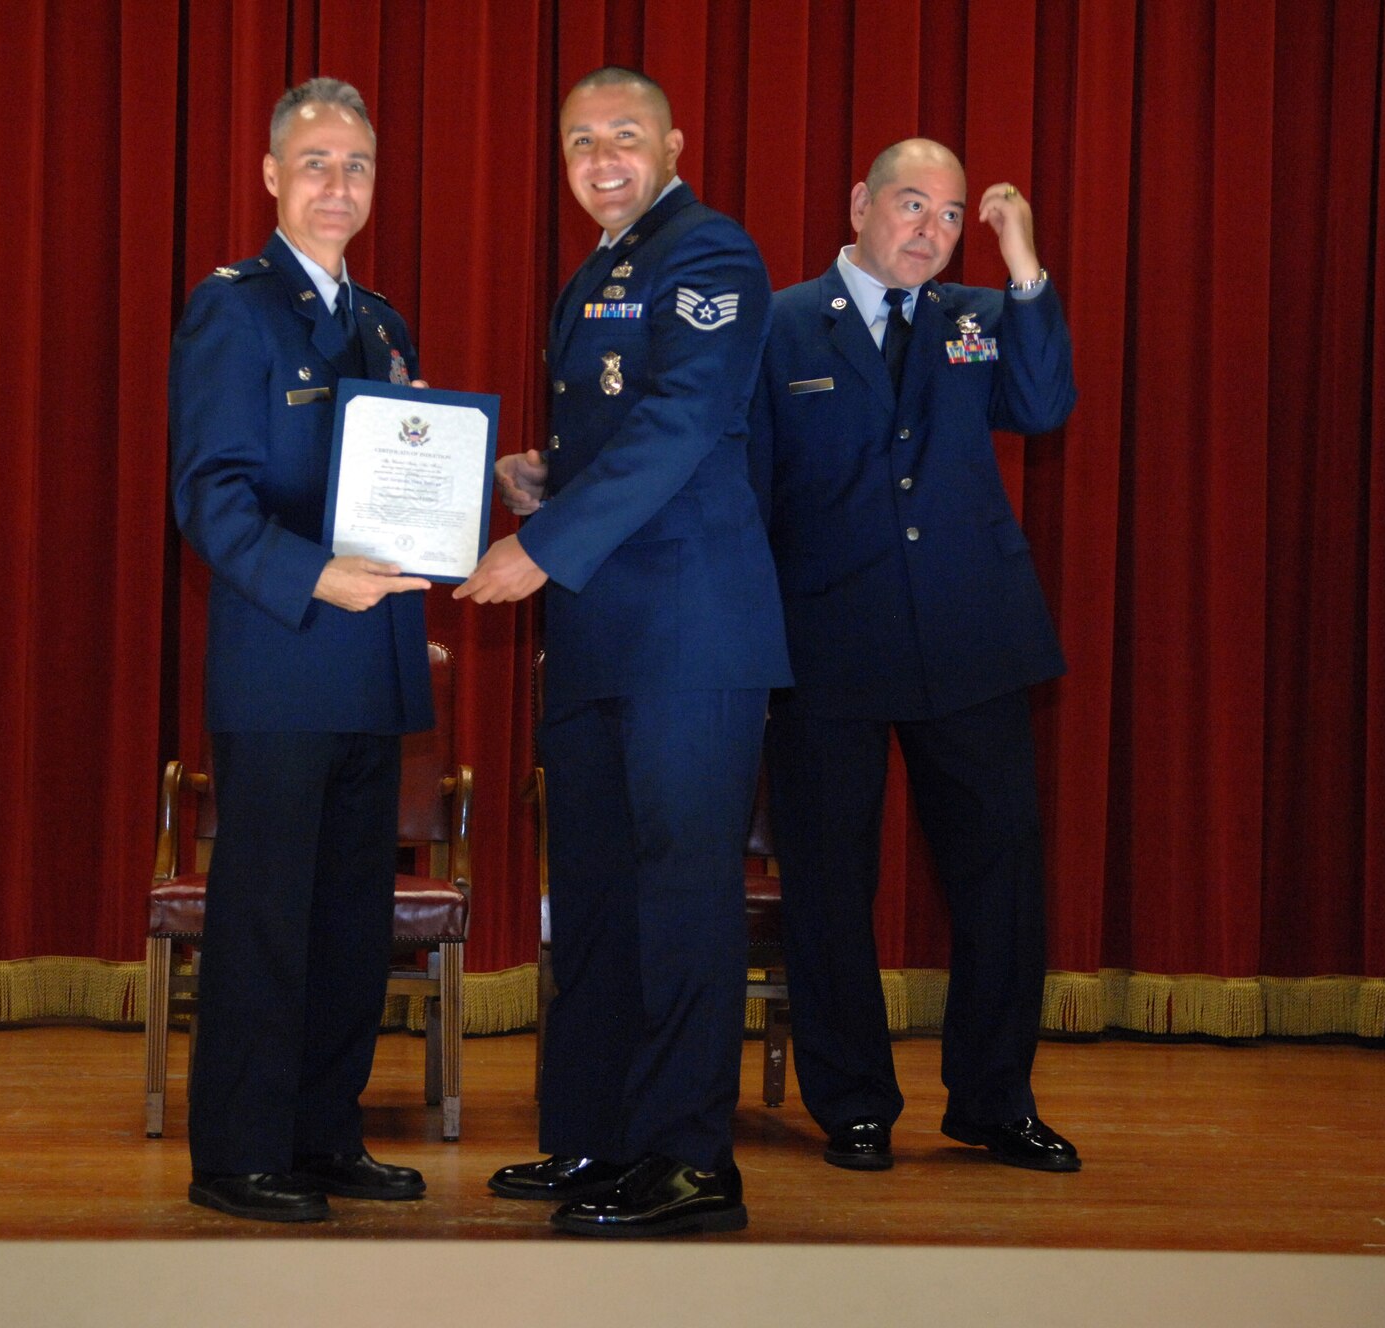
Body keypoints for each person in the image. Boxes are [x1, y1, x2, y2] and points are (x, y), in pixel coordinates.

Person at [456, 66, 789, 1237]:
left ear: (672, 142)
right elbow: (625, 435)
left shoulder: (708, 251)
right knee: (591, 900)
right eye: (580, 141)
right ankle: (595, 1133)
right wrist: (551, 481)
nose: (601, 158)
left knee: (682, 898)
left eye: (624, 136)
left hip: (690, 637)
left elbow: (683, 418)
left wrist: (542, 540)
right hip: (601, 630)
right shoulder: (596, 268)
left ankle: (690, 1161)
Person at [750, 138, 1081, 1175]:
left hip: (966, 637)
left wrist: (1020, 259)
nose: (928, 231)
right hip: (824, 641)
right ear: (857, 203)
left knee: (999, 878)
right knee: (828, 883)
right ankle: (851, 1100)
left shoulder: (979, 320)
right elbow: (748, 483)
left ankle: (991, 1098)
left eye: (948, 216)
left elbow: (1039, 406)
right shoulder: (777, 321)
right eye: (909, 204)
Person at [167, 77, 432, 1223]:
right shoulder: (232, 307)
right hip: (280, 658)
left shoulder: (382, 321)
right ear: (271, 176)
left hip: (371, 669)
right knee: (267, 916)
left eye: (358, 166)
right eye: (316, 162)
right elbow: (209, 496)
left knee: (346, 921)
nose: (338, 184)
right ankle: (237, 1149)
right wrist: (313, 571)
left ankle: (324, 1132)